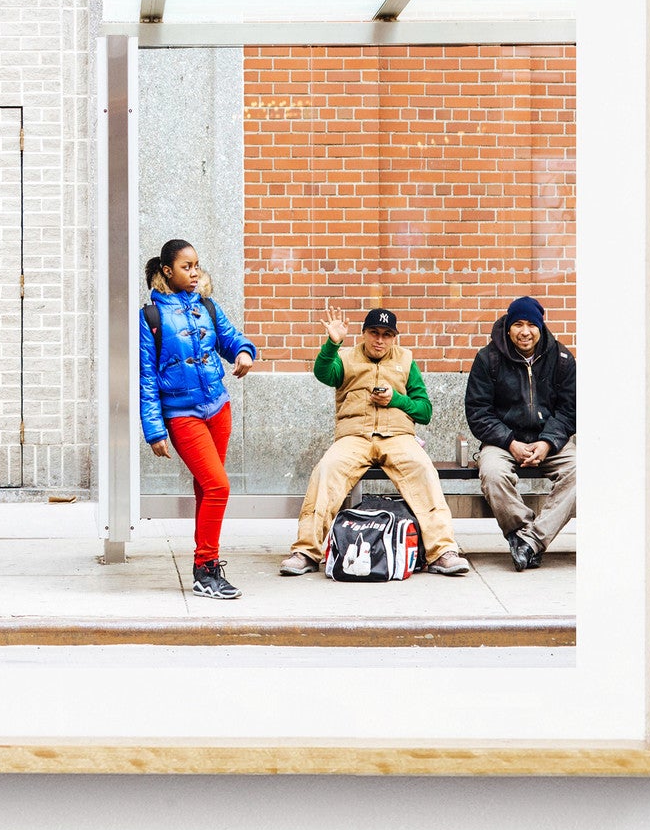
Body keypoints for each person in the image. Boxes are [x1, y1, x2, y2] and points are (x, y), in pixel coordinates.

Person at [279, 307, 471, 577]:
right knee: (326, 471)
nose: (380, 340)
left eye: (387, 334)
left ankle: (442, 552)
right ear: (364, 334)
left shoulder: (406, 360)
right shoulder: (345, 358)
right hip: (355, 436)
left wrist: (395, 399)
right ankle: (306, 551)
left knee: (424, 470)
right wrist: (333, 343)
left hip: (398, 437)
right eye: (374, 333)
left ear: (394, 338)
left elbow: (424, 411)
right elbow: (323, 373)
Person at [140, 237, 256, 600]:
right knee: (219, 486)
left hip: (218, 408)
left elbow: (230, 338)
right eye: (186, 267)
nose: (193, 273)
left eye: (196, 266)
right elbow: (146, 378)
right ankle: (206, 567)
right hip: (182, 414)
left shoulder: (206, 305)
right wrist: (154, 430)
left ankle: (205, 567)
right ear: (166, 270)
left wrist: (243, 353)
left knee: (208, 487)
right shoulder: (151, 317)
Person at [466, 295, 577, 569]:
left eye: (531, 325)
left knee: (583, 472)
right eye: (518, 324)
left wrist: (548, 443)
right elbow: (478, 412)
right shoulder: (487, 358)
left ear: (541, 327)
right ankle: (527, 536)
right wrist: (510, 441)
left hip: (551, 442)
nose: (525, 331)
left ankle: (530, 541)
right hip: (502, 441)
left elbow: (570, 411)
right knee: (492, 474)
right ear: (508, 326)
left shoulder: (562, 359)